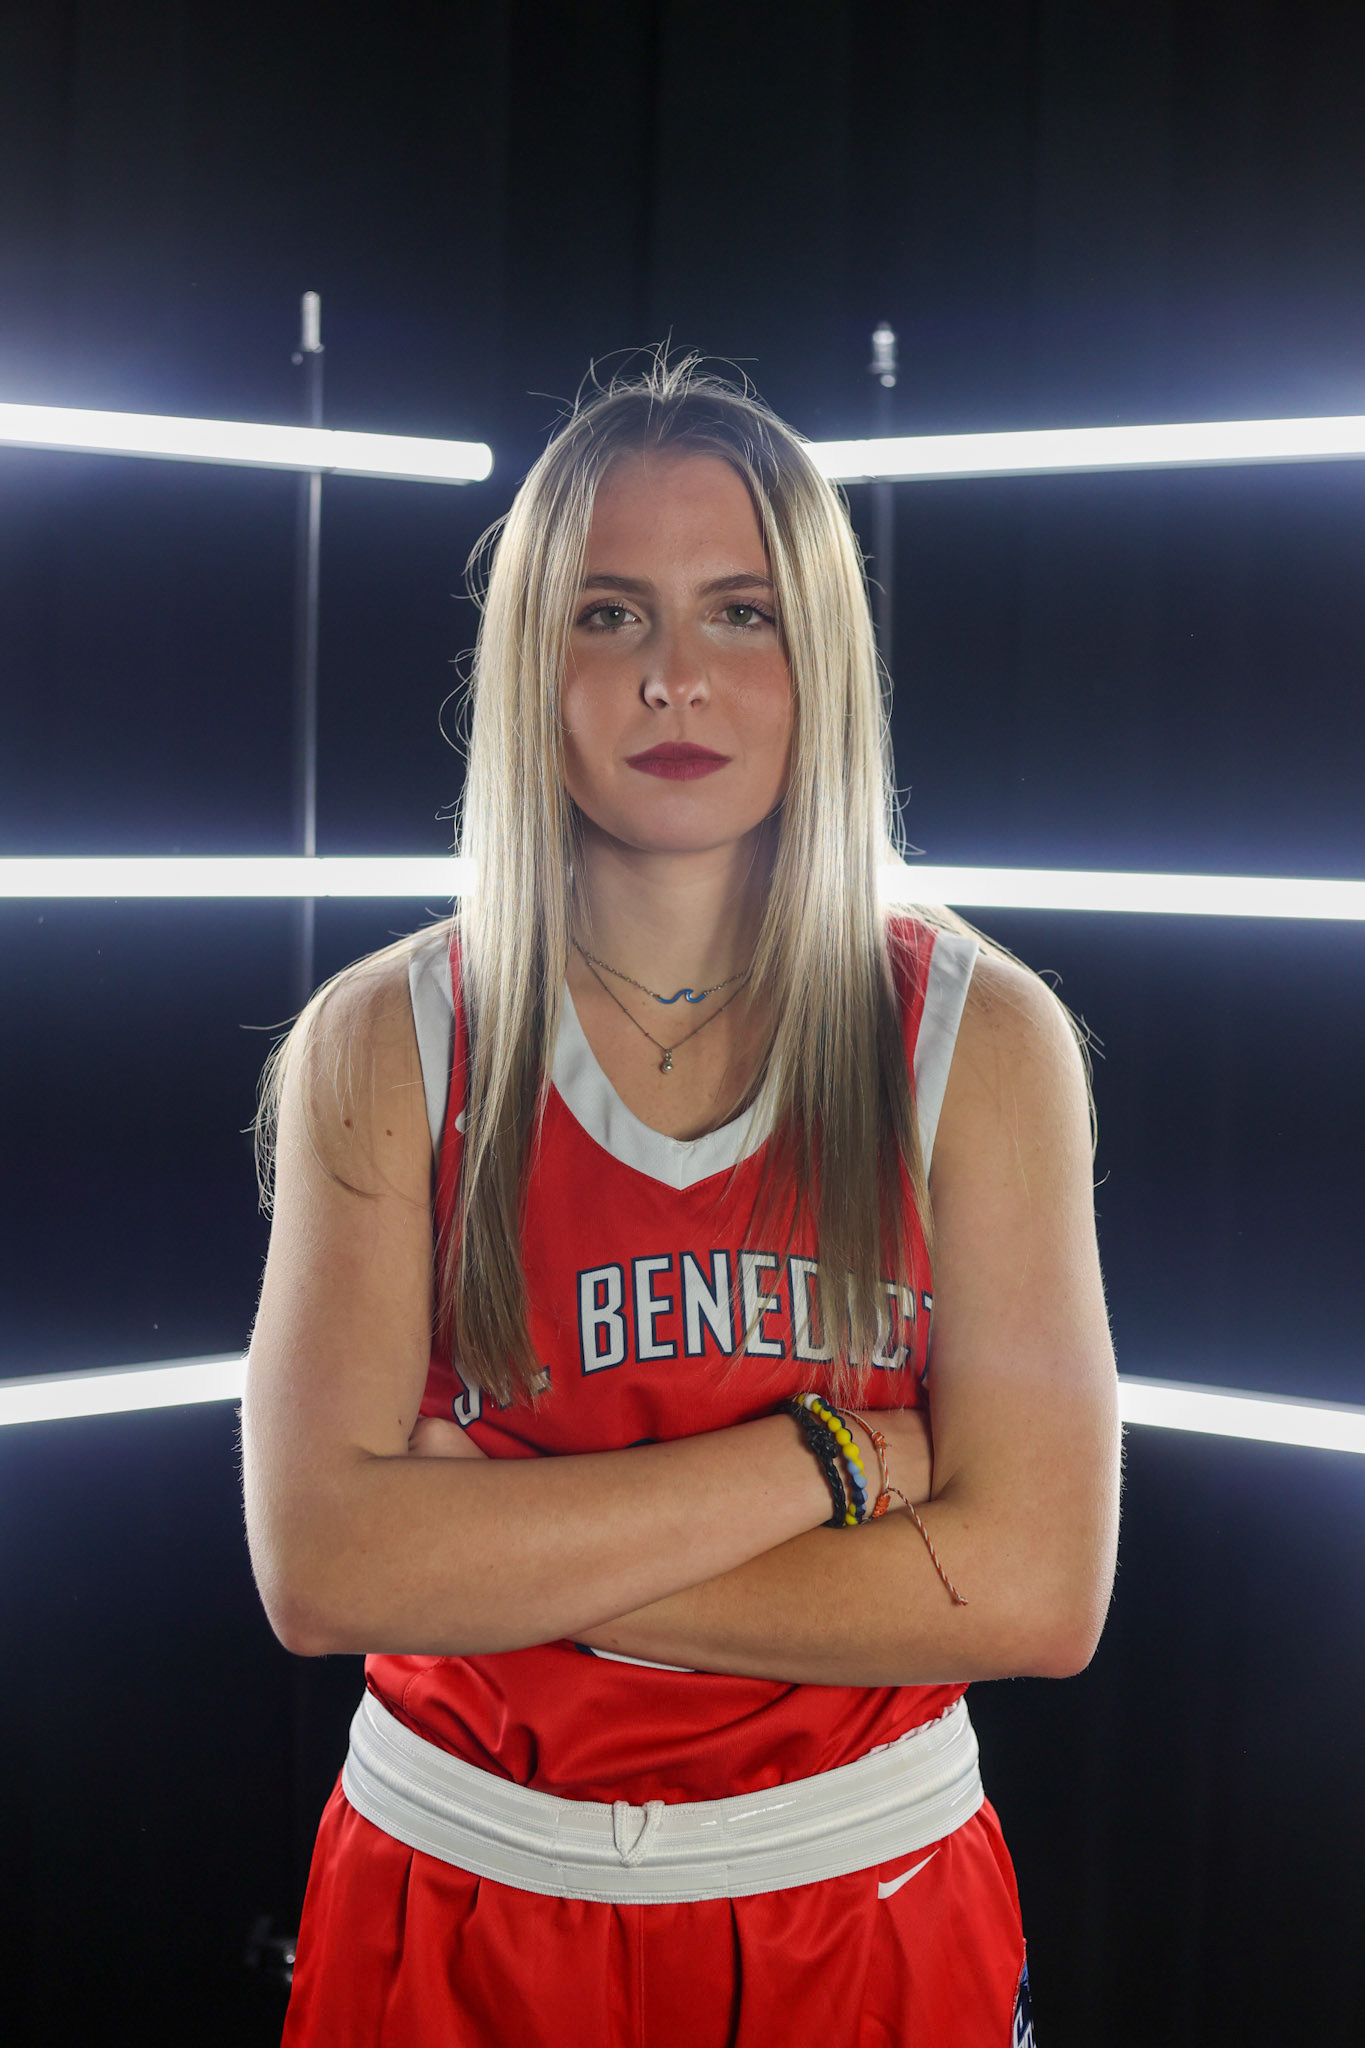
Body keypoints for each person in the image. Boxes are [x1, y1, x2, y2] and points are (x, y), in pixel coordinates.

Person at [242, 350, 1119, 2048]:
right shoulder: (386, 1043)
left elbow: (1031, 1593)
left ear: (821, 661)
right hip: (457, 1894)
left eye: (738, 615)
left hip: (856, 1905)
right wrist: (835, 1466)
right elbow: (325, 1571)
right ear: (528, 665)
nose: (670, 683)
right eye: (605, 617)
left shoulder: (978, 1041)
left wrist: (487, 1542)